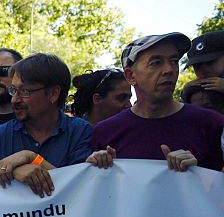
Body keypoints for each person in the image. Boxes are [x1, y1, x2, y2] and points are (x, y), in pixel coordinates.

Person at [89, 32, 224, 172]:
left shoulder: (212, 124)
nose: (169, 70)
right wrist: (98, 168)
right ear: (130, 76)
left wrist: (197, 174)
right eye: (156, 63)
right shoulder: (105, 132)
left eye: (173, 61)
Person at [0, 53, 92, 197]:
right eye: (13, 90)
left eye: (25, 91)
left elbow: (80, 190)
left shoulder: (80, 132)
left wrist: (32, 159)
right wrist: (13, 174)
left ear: (53, 94)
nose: (15, 100)